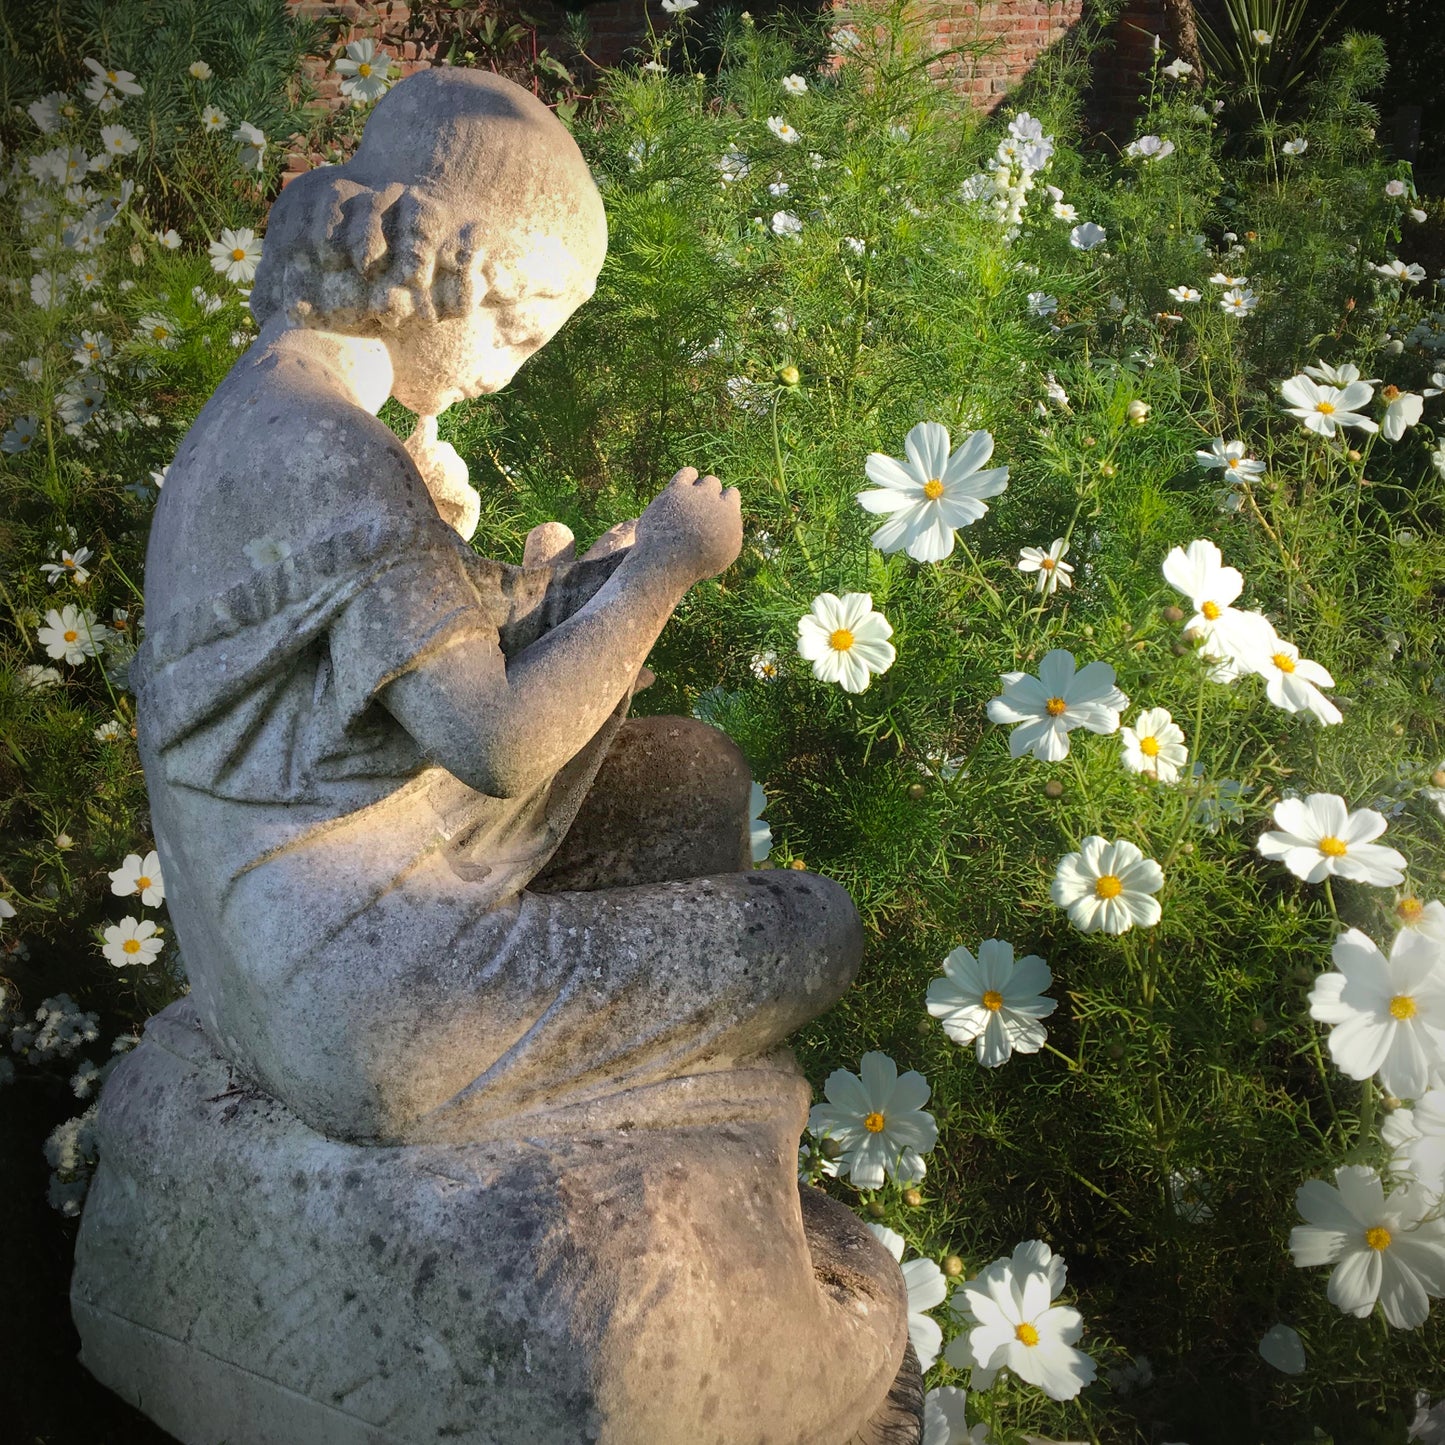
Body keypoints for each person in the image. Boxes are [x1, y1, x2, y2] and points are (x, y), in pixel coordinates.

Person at [134, 67, 864, 1147]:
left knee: (696, 775)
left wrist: (564, 583)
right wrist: (662, 568)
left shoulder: (270, 407)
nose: (508, 375)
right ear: (446, 277)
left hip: (275, 956)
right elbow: (498, 740)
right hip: (371, 998)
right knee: (815, 926)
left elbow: (356, 676)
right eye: (517, 335)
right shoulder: (335, 452)